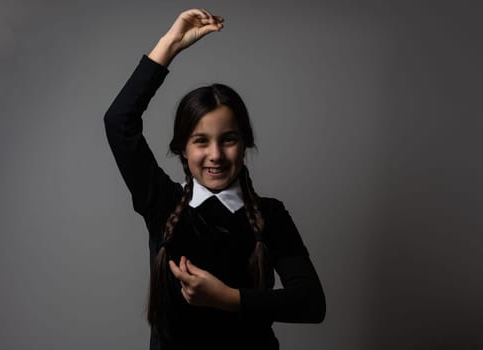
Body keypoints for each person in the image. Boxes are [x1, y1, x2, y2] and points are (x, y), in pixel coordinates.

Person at [104, 8, 326, 350]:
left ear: (245, 143)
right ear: (182, 149)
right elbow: (119, 121)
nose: (216, 155)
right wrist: (171, 43)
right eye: (201, 141)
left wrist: (227, 298)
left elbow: (311, 303)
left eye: (229, 139)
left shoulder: (271, 214)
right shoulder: (162, 202)